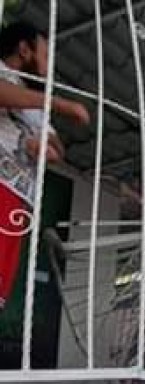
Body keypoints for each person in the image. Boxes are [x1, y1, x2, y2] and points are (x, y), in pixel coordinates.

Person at [0, 21, 89, 310]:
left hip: (18, 197)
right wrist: (61, 104)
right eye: (45, 54)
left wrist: (43, 144)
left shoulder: (31, 98)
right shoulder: (5, 77)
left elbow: (57, 145)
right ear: (24, 49)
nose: (48, 64)